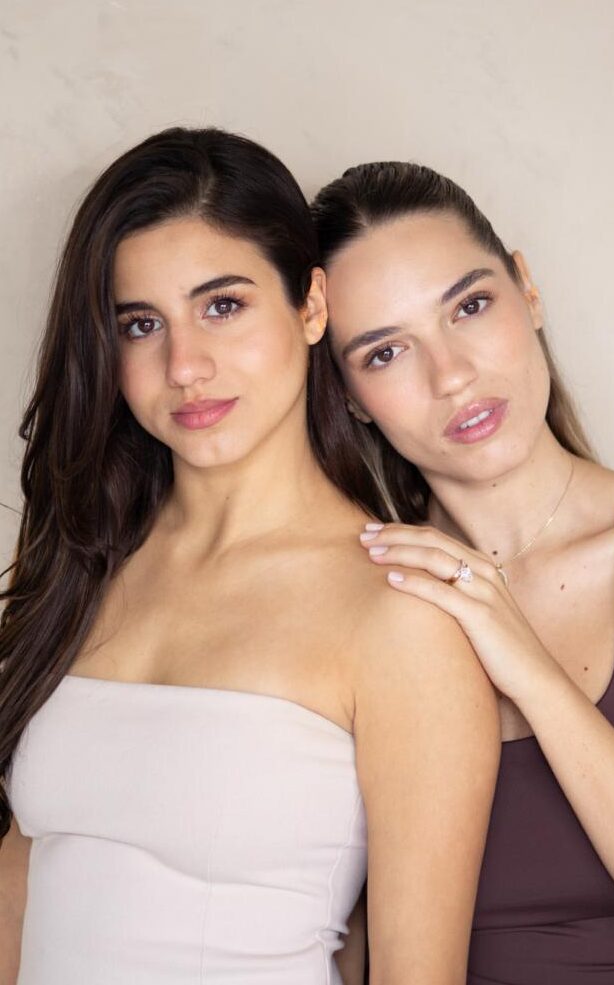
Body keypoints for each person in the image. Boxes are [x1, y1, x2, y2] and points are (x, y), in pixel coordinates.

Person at [0, 130, 500, 985]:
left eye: (222, 305)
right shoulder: (81, 560)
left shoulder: (397, 610)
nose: (185, 366)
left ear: (311, 307)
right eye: (141, 324)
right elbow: (23, 879)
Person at [310, 161, 614, 984]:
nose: (452, 374)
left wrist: (526, 666)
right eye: (386, 352)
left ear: (527, 289)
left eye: (469, 306)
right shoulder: (354, 601)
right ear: (351, 396)